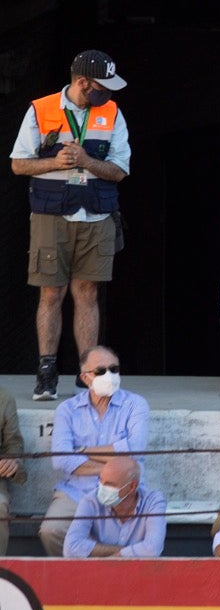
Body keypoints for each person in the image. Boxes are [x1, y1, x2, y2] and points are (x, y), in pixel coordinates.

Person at [11, 49, 129, 402]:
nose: (107, 93)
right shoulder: (41, 108)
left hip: (95, 214)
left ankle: (89, 371)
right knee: (51, 293)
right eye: (101, 86)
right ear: (82, 82)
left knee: (88, 293)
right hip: (52, 216)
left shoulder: (111, 112)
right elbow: (18, 164)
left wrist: (87, 160)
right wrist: (54, 162)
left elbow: (120, 170)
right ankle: (47, 371)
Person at [39, 346, 148, 556]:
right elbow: (61, 460)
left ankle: (104, 560)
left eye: (114, 369)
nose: (109, 375)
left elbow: (134, 449)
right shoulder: (67, 410)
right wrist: (115, 466)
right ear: (85, 377)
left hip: (123, 490)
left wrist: (81, 450)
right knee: (51, 531)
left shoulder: (135, 404)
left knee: (133, 533)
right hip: (75, 492)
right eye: (100, 371)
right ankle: (104, 561)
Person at [63, 455, 165, 559]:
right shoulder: (90, 501)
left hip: (139, 572)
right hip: (99, 572)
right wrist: (126, 552)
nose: (102, 488)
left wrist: (111, 559)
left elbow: (152, 549)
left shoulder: (153, 501)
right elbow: (70, 548)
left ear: (132, 487)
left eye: (109, 484)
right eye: (101, 481)